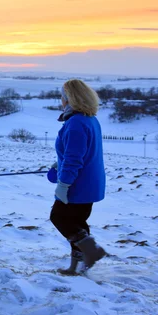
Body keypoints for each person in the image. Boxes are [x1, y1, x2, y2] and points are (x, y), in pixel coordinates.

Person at [49, 79, 106, 275]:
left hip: (77, 186)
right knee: (78, 224)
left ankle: (92, 251)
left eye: (63, 97)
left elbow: (75, 159)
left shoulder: (75, 123)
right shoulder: (89, 119)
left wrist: (63, 185)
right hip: (89, 185)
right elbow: (80, 152)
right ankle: (78, 265)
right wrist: (59, 163)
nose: (61, 101)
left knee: (58, 217)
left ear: (70, 99)